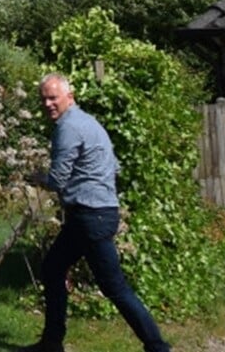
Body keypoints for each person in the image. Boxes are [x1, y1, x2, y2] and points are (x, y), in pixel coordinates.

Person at [23, 72, 170, 352]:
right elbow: (114, 167)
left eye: (53, 98)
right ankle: (51, 343)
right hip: (92, 216)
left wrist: (37, 176)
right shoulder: (90, 123)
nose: (47, 104)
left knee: (114, 287)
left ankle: (158, 347)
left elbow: (57, 180)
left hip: (91, 218)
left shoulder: (68, 128)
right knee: (53, 269)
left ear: (69, 96)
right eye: (43, 98)